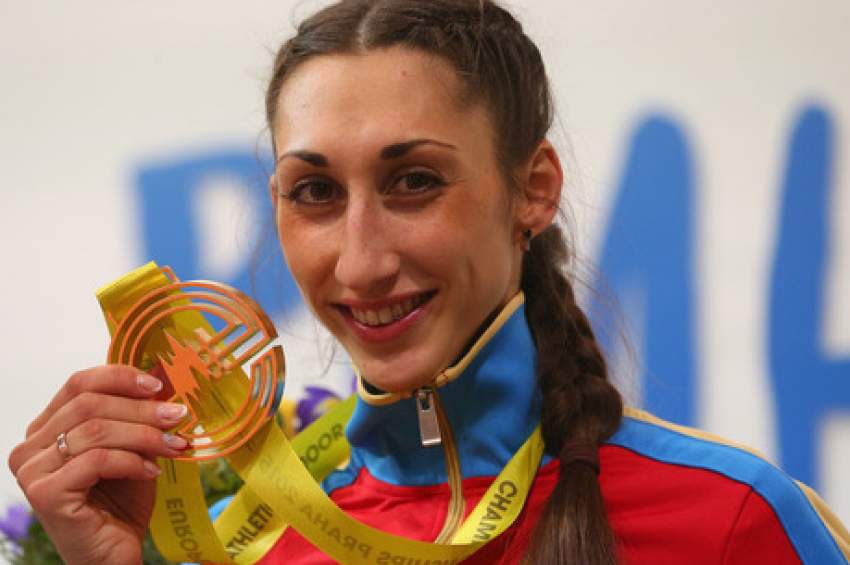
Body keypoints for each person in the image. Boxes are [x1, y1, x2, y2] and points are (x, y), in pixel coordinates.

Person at [8, 1, 850, 564]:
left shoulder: (732, 517)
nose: (361, 262)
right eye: (315, 192)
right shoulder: (252, 548)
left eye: (414, 182)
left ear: (534, 189)